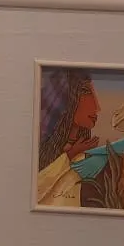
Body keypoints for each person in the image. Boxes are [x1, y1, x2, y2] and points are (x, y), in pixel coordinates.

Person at [36, 68, 101, 207]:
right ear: (67, 98)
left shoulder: (84, 151)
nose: (97, 107)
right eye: (86, 92)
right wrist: (70, 155)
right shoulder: (40, 149)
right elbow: (36, 188)